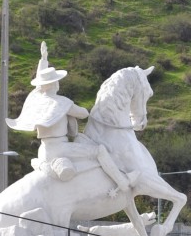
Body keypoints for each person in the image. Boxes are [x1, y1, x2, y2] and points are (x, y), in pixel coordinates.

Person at [7, 42, 136, 197]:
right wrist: (73, 110)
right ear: (55, 83)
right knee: (100, 150)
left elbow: (38, 88)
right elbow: (83, 114)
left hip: (44, 150)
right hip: (60, 148)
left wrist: (43, 60)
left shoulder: (37, 99)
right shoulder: (62, 102)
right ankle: (122, 182)